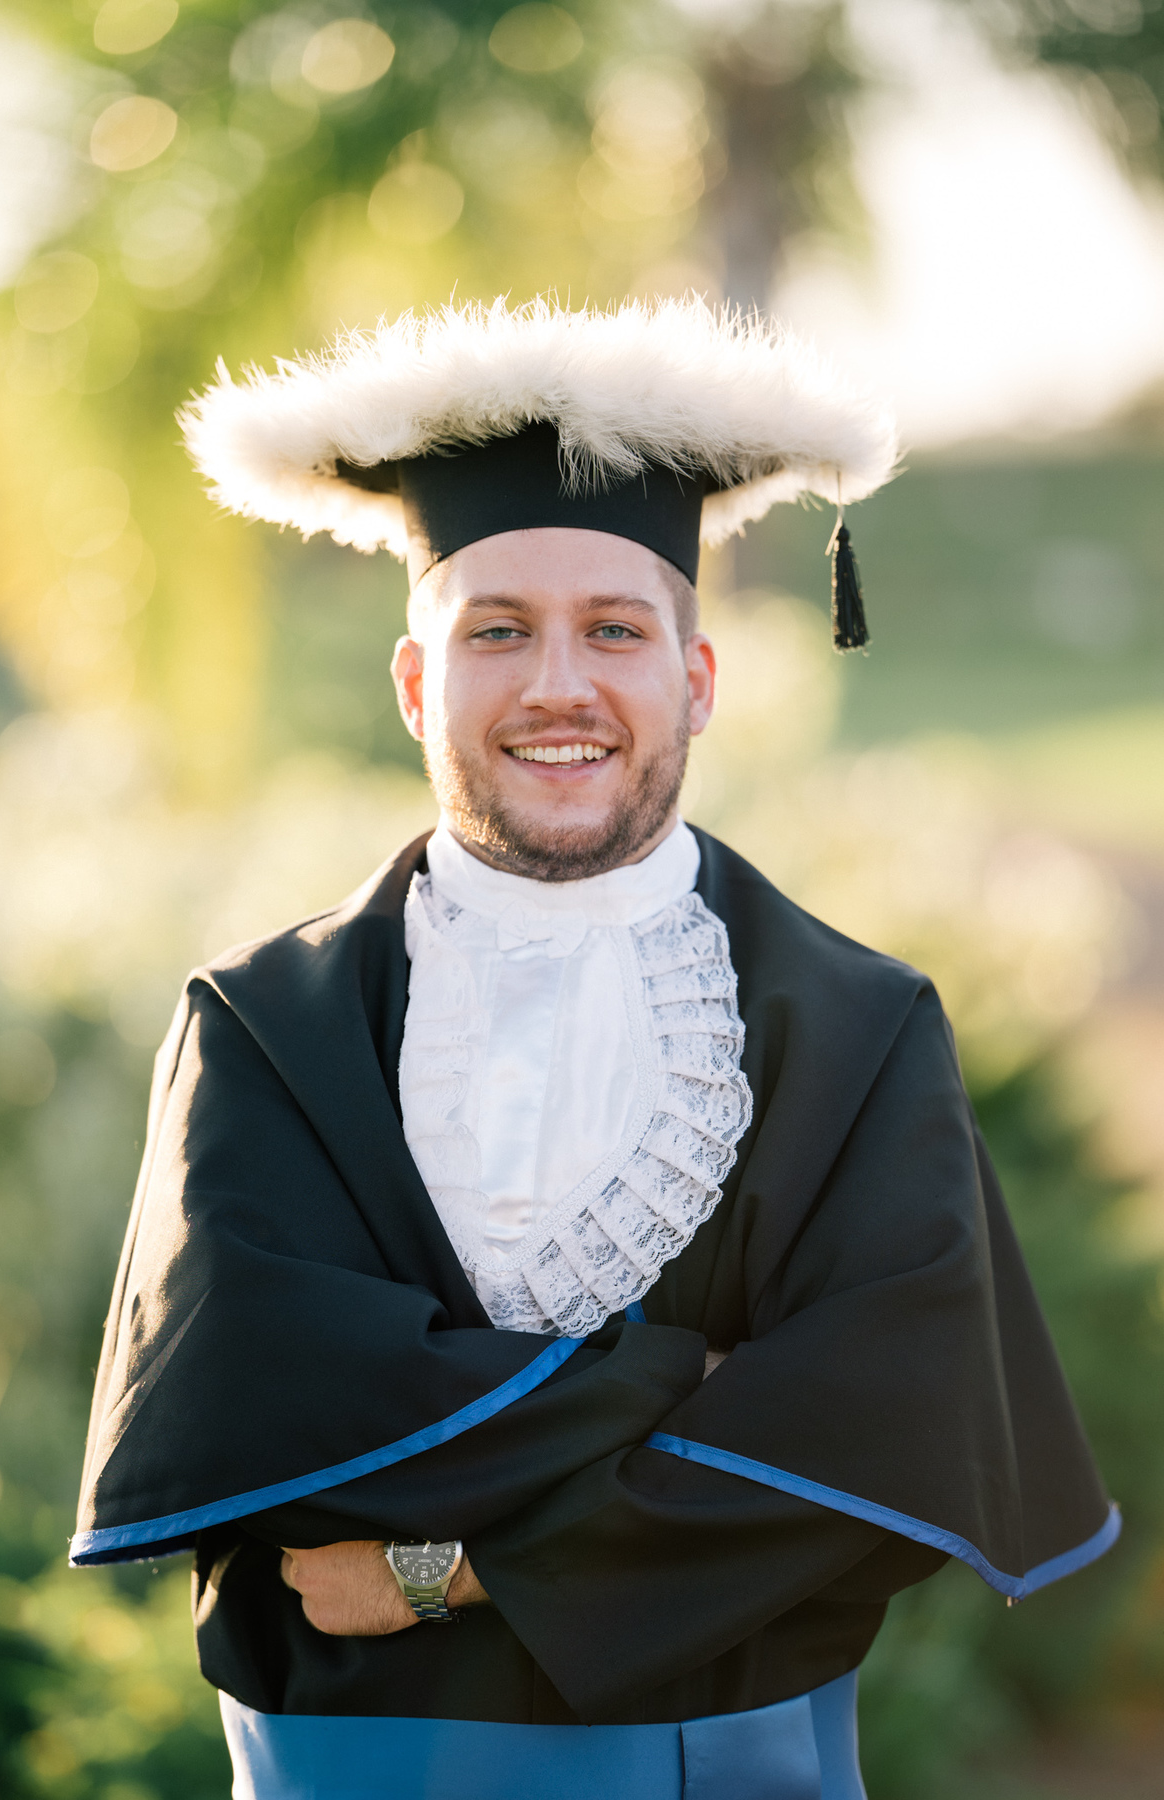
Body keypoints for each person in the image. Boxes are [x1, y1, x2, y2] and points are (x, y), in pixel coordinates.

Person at [73, 298, 1117, 1800]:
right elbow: (255, 1412)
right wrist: (693, 1387)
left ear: (697, 679)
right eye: (497, 631)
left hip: (731, 1764)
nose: (558, 684)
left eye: (615, 631)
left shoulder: (861, 1030)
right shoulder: (262, 1028)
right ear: (418, 685)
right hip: (347, 1765)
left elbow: (878, 1451)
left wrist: (436, 1569)